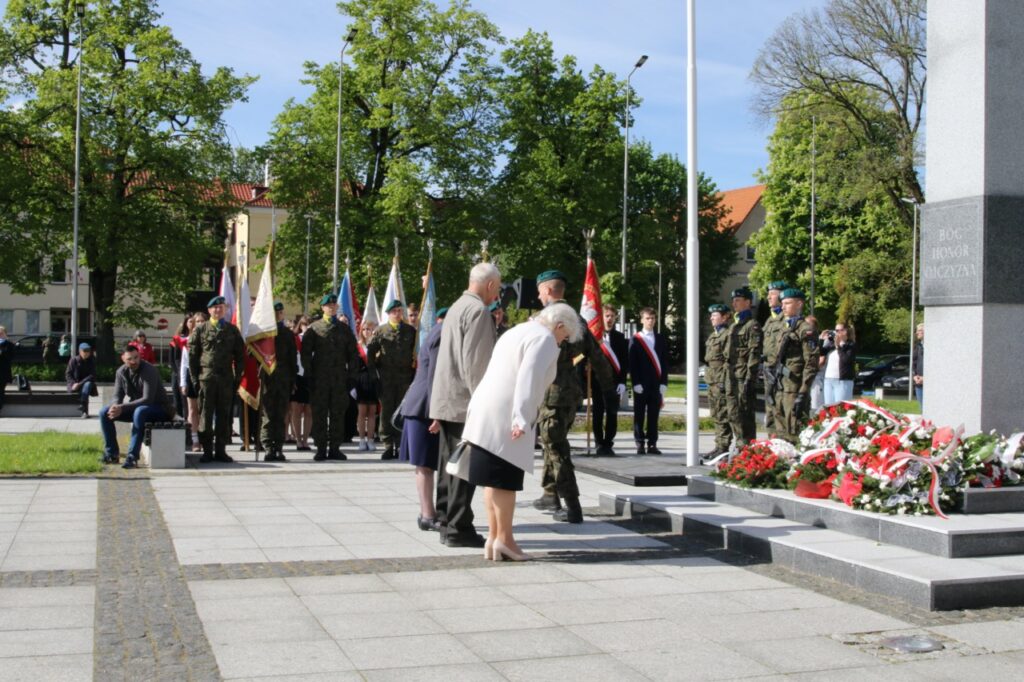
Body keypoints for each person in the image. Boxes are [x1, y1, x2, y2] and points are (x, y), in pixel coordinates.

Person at [462, 304, 581, 561]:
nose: (563, 342)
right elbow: (529, 378)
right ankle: (505, 540)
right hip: (506, 414)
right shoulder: (545, 338)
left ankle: (494, 538)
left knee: (491, 479)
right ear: (559, 326)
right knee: (505, 479)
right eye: (565, 336)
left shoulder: (518, 330)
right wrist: (521, 419)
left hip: (485, 410)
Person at [430, 262, 501, 548]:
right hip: (464, 402)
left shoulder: (457, 306)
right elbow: (477, 365)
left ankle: (446, 520)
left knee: (448, 465)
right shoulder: (478, 312)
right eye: (497, 287)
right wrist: (484, 402)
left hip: (447, 399)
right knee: (464, 466)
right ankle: (459, 527)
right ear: (490, 285)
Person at [532, 270, 613, 522]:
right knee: (551, 443)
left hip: (552, 394)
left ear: (547, 291)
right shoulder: (577, 319)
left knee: (556, 449)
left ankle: (573, 506)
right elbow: (598, 357)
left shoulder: (544, 320)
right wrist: (608, 388)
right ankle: (550, 493)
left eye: (539, 291)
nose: (537, 296)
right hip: (571, 393)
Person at [399, 307, 448, 532]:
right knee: (425, 465)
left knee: (426, 464)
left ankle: (429, 512)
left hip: (424, 407)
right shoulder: (440, 335)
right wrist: (436, 414)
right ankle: (427, 514)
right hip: (424, 408)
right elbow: (434, 377)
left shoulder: (438, 332)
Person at [301, 294, 360, 461]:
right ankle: (320, 448)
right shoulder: (314, 328)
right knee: (319, 414)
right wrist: (309, 374)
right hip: (319, 380)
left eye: (334, 305)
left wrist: (352, 376)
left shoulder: (344, 329)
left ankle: (335, 447)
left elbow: (353, 355)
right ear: (323, 308)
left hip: (339, 380)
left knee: (337, 414)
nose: (332, 307)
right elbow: (306, 353)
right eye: (329, 305)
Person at [188, 296, 246, 464]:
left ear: (225, 310)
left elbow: (240, 356)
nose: (218, 310)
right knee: (205, 416)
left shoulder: (232, 330)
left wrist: (237, 377)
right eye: (215, 308)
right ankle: (207, 450)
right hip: (206, 378)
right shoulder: (200, 330)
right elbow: (193, 356)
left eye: (221, 307)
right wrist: (194, 379)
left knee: (223, 416)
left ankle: (221, 450)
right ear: (209, 310)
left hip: (226, 378)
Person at [99, 343, 173, 468]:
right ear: (123, 358)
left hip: (160, 409)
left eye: (136, 357)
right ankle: (112, 454)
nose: (134, 361)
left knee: (140, 411)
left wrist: (122, 407)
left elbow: (147, 399)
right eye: (130, 359)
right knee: (104, 413)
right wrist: (115, 407)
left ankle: (132, 457)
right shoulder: (121, 372)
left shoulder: (149, 370)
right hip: (139, 409)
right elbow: (117, 396)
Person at [367, 300, 417, 460]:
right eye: (394, 311)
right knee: (387, 411)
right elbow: (370, 353)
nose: (397, 314)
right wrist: (373, 374)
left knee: (403, 411)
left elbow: (415, 353)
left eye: (399, 311)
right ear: (388, 314)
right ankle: (388, 444)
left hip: (405, 379)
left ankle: (402, 443)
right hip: (386, 378)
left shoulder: (410, 331)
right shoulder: (380, 331)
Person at [771, 288, 819, 443]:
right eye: (782, 303)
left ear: (799, 304)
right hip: (780, 384)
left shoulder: (805, 329)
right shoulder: (784, 328)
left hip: (794, 386)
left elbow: (811, 363)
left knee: (795, 428)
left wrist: (803, 391)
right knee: (780, 425)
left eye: (787, 303)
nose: (783, 307)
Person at [260, 303, 298, 462]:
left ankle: (279, 448)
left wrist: (293, 379)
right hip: (267, 379)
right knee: (268, 415)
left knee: (281, 415)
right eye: (275, 312)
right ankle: (269, 447)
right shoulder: (263, 333)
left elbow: (292, 358)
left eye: (281, 312)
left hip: (283, 379)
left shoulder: (287, 334)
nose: (278, 315)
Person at [629, 307, 669, 456]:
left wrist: (664, 382)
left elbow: (664, 362)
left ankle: (652, 444)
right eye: (647, 318)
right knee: (639, 415)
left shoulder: (660, 338)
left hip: (656, 384)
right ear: (642, 320)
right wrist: (635, 383)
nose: (650, 321)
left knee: (654, 415)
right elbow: (633, 363)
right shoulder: (636, 339)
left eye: (652, 318)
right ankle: (639, 443)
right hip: (641, 384)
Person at [726, 287, 763, 448]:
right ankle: (740, 445)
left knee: (744, 415)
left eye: (738, 300)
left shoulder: (752, 325)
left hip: (743, 377)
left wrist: (749, 378)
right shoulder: (734, 325)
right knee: (733, 413)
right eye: (733, 300)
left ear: (748, 302)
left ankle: (746, 448)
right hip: (731, 376)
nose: (734, 303)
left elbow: (754, 354)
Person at [592, 305, 628, 456]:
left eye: (612, 316)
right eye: (607, 316)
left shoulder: (620, 338)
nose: (610, 319)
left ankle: (609, 443)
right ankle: (599, 442)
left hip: (613, 382)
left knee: (612, 413)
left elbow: (624, 362)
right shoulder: (594, 336)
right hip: (597, 381)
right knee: (598, 413)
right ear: (601, 317)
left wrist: (622, 382)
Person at [703, 304, 733, 460]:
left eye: (715, 315)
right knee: (716, 414)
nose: (711, 318)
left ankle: (724, 447)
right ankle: (718, 446)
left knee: (722, 415)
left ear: (725, 317)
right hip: (712, 381)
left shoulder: (727, 335)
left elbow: (728, 360)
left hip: (720, 381)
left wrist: (722, 381)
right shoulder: (714, 335)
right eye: (711, 315)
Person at [761, 280, 789, 434]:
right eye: (769, 294)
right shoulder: (770, 320)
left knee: (780, 411)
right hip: (768, 371)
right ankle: (771, 445)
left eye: (772, 294)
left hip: (780, 373)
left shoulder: (786, 320)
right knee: (770, 410)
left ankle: (782, 446)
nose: (768, 297)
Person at [354, 318, 379, 451]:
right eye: (363, 329)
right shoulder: (358, 346)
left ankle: (370, 439)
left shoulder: (376, 345)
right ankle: (362, 439)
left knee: (372, 412)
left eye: (368, 329)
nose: (366, 331)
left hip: (373, 379)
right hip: (361, 380)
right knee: (362, 412)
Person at [179, 314, 202, 452]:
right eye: (197, 321)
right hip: (191, 375)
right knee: (192, 409)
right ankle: (195, 440)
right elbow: (184, 363)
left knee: (205, 410)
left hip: (206, 376)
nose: (199, 323)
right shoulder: (187, 341)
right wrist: (183, 382)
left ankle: (206, 438)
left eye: (202, 321)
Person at [290, 315, 313, 451]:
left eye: (309, 324)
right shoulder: (295, 339)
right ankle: (298, 439)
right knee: (296, 410)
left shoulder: (316, 340)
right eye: (304, 324)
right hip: (297, 376)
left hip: (310, 376)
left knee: (309, 410)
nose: (307, 326)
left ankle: (305, 439)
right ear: (300, 325)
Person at [820, 322, 856, 405]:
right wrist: (821, 339)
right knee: (828, 407)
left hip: (843, 381)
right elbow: (821, 353)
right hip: (828, 379)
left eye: (840, 330)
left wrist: (838, 346)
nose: (838, 333)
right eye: (836, 330)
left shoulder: (850, 345)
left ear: (846, 331)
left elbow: (845, 360)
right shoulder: (832, 344)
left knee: (840, 407)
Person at [65, 342, 98, 418]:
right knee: (84, 390)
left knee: (88, 384)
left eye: (88, 351)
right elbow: (68, 374)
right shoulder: (74, 360)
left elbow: (92, 376)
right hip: (74, 384)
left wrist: (79, 384)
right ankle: (84, 410)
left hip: (85, 384)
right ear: (80, 351)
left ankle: (83, 406)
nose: (87, 353)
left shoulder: (91, 361)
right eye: (85, 351)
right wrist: (73, 383)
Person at [169, 317, 191, 420]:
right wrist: (178, 372)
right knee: (178, 399)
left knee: (188, 402)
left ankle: (187, 421)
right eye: (190, 322)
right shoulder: (177, 340)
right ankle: (179, 421)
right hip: (178, 372)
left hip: (189, 371)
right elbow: (174, 359)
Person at [0, 326, 13, 415]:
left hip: (2, 373)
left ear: (5, 334)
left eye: (1, 333)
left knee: (0, 391)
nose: (0, 335)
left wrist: (1, 352)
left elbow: (10, 357)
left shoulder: (9, 344)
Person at [912, 322, 924, 411]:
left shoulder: (934, 347)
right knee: (922, 410)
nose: (917, 333)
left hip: (929, 384)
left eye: (919, 330)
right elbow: (914, 363)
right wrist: (915, 376)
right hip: (918, 383)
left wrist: (925, 378)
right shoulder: (918, 347)